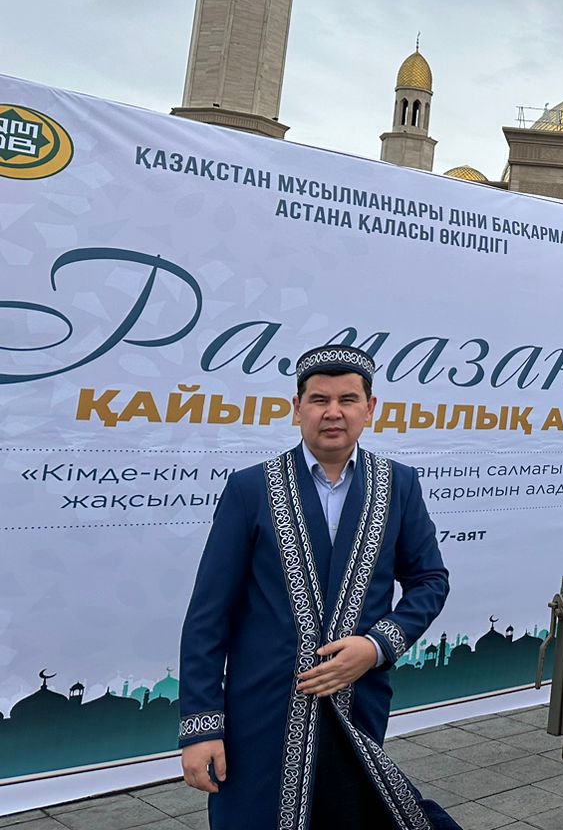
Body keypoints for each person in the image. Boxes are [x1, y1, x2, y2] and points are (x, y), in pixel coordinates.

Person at [178, 346, 455, 830]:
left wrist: (375, 647)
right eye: (319, 399)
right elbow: (208, 615)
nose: (333, 412)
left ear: (370, 408)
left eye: (348, 399)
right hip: (261, 710)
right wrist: (201, 728)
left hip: (357, 703)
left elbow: (430, 581)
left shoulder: (399, 485)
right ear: (297, 407)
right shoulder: (251, 489)